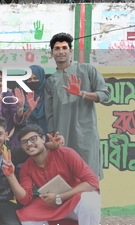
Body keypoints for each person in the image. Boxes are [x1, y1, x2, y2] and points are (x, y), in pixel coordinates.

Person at [9, 125, 102, 225]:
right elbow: (25, 199)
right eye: (24, 142)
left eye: (33, 139)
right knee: (25, 218)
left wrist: (60, 196)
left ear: (43, 139)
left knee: (91, 200)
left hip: (76, 201)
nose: (29, 144)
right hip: (53, 206)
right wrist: (10, 175)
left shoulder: (66, 153)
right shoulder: (27, 167)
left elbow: (92, 182)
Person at [45, 32, 111, 179]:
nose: (61, 51)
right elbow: (49, 113)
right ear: (52, 53)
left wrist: (82, 93)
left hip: (85, 136)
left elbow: (105, 94)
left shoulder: (87, 70)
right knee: (66, 178)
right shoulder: (51, 81)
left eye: (64, 47)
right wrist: (52, 137)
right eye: (57, 48)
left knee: (89, 178)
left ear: (71, 51)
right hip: (62, 138)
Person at [23, 65, 48, 135]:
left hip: (48, 133)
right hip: (27, 134)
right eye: (29, 79)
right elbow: (19, 120)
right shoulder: (21, 94)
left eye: (35, 78)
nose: (32, 81)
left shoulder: (48, 94)